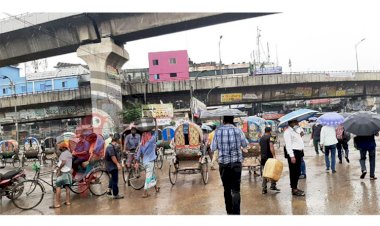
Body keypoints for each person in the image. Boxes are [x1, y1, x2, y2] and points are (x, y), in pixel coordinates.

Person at [210, 116, 248, 215]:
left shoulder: (217, 132)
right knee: (236, 190)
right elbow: (245, 145)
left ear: (223, 120)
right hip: (236, 164)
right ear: (232, 120)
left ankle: (229, 212)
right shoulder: (238, 131)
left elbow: (213, 148)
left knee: (226, 190)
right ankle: (236, 214)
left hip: (223, 165)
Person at [136, 121, 160, 198]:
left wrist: (136, 161)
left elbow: (138, 153)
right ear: (149, 135)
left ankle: (156, 188)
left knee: (152, 175)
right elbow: (156, 132)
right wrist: (156, 122)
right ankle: (145, 192)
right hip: (150, 162)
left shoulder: (142, 144)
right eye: (149, 134)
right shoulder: (151, 140)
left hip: (145, 162)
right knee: (148, 177)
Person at [283, 119, 305, 196]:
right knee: (293, 172)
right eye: (295, 122)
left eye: (297, 122)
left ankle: (295, 187)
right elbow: (288, 145)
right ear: (291, 123)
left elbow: (302, 135)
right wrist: (292, 156)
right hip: (293, 153)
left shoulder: (296, 130)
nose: (297, 123)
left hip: (299, 153)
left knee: (298, 171)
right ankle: (294, 189)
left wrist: (300, 129)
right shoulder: (287, 132)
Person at [259, 126, 280, 194]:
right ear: (270, 131)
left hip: (263, 157)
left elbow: (260, 147)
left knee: (265, 172)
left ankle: (264, 188)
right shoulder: (271, 136)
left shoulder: (261, 138)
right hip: (269, 157)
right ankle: (273, 186)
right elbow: (271, 146)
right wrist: (274, 155)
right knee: (273, 171)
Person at [105, 134, 124, 199]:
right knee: (115, 180)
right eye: (119, 140)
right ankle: (116, 194)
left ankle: (108, 190)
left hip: (111, 165)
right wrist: (118, 164)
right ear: (116, 140)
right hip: (111, 166)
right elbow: (113, 157)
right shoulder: (110, 147)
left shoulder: (113, 146)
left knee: (112, 178)